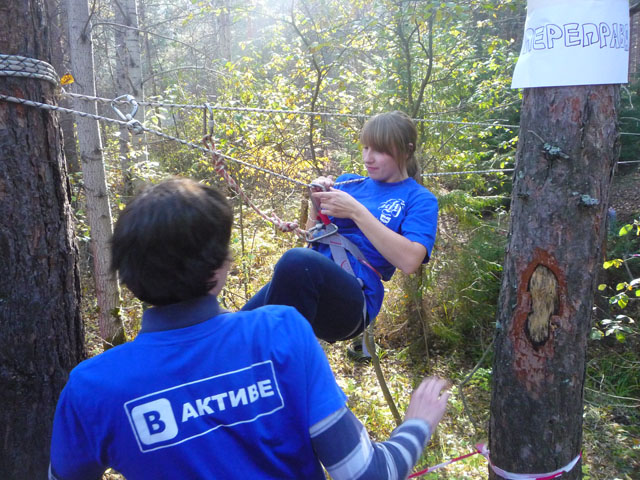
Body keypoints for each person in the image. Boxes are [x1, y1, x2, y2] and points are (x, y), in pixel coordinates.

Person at [49, 178, 449, 480]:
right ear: (221, 267)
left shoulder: (91, 387)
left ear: (126, 276)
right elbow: (366, 473)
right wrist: (418, 423)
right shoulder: (281, 333)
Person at [242, 111, 438, 353]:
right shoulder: (350, 183)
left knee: (296, 260)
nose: (368, 158)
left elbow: (410, 261)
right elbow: (314, 240)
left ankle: (281, 369)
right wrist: (316, 205)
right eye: (365, 148)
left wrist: (356, 211)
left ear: (407, 151)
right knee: (235, 330)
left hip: (355, 299)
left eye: (379, 150)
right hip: (311, 279)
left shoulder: (418, 199)